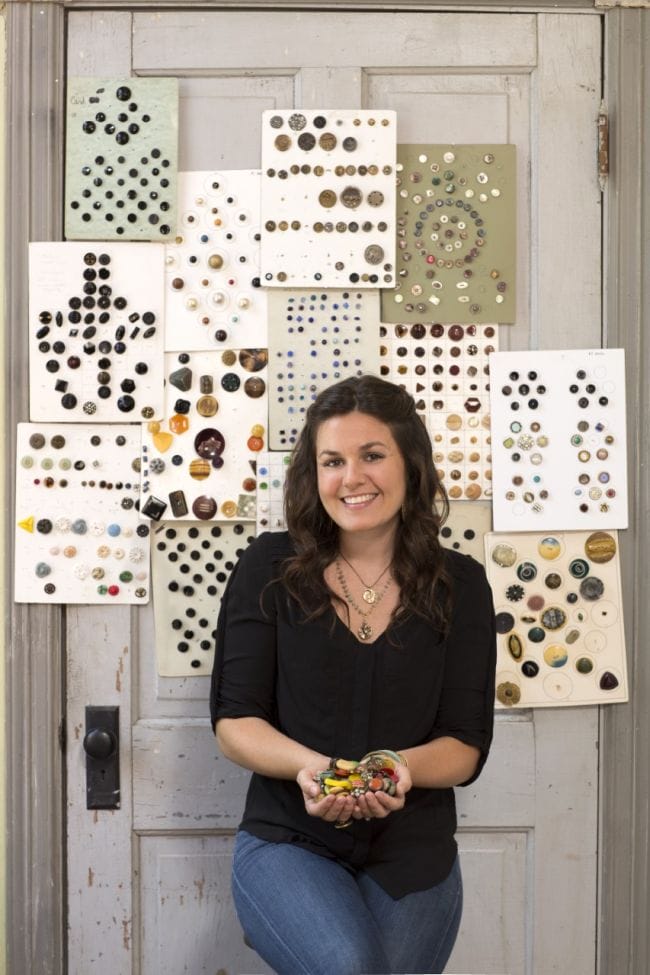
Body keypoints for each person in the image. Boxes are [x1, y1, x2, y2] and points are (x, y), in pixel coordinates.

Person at [210, 374, 496, 975]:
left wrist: (393, 769)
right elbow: (235, 722)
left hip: (414, 852)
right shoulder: (267, 567)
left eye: (372, 455)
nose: (351, 478)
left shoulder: (462, 584)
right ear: (313, 474)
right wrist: (319, 773)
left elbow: (465, 744)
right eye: (332, 461)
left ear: (411, 464)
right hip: (290, 840)